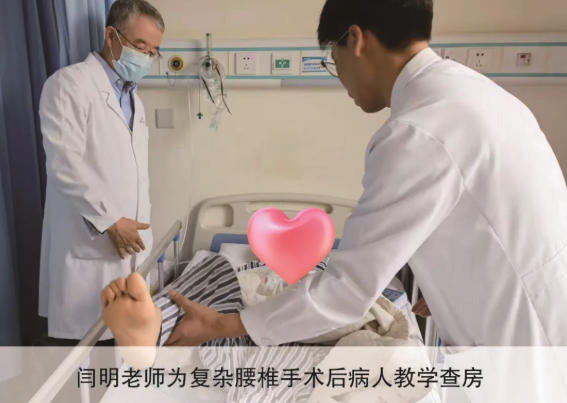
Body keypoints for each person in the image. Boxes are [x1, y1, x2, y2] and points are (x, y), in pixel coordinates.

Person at [102, 0, 567, 349]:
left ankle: (148, 340)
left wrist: (222, 324)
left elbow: (345, 291)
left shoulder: (416, 134)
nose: (339, 75)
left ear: (355, 39)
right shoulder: (480, 97)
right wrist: (450, 287)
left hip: (521, 347)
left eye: (332, 58)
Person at [39, 0, 164, 342]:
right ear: (111, 36)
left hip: (130, 249)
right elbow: (64, 164)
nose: (146, 57)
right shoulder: (68, 84)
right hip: (90, 246)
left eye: (153, 51)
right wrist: (109, 220)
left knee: (122, 351)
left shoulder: (133, 98)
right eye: (140, 46)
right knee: (83, 352)